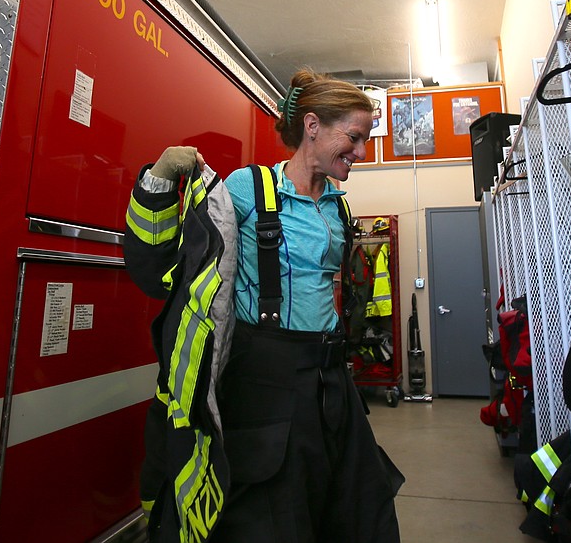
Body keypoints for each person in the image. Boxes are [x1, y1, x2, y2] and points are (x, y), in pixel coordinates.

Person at [124, 68, 403, 543]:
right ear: (312, 126)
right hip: (266, 384)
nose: (362, 152)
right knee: (274, 518)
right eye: (354, 138)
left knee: (356, 508)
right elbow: (163, 271)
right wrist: (157, 181)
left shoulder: (338, 206)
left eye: (366, 140)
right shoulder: (245, 191)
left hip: (331, 384)